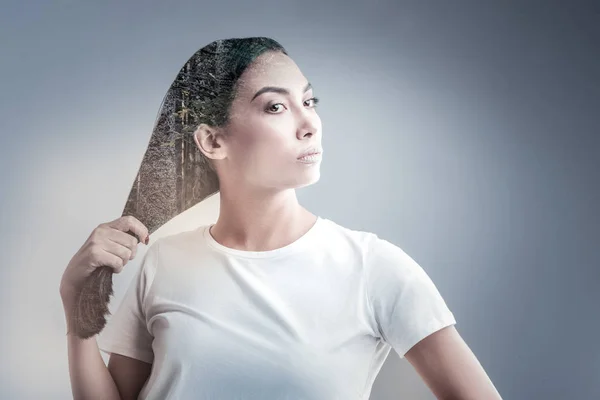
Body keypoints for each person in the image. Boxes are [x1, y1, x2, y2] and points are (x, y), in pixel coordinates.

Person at [59, 37, 502, 400]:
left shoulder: (373, 267)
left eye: (309, 100)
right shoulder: (162, 263)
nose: (309, 123)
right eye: (276, 107)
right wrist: (76, 307)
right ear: (212, 141)